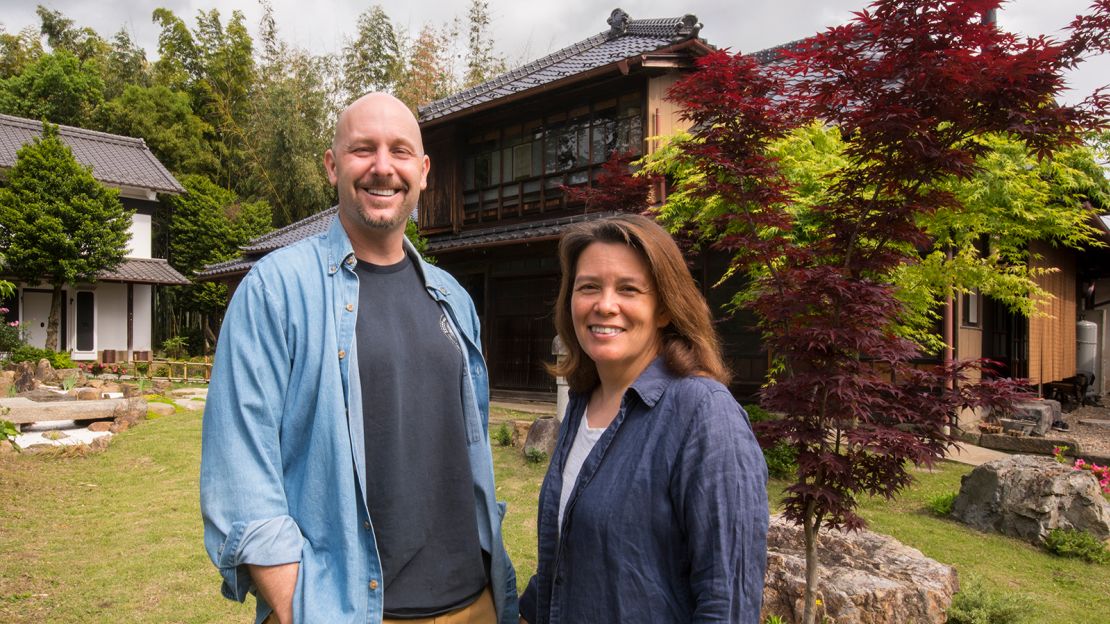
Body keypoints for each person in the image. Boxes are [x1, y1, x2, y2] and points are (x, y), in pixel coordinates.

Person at [200, 92, 518, 624]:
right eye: (362, 149)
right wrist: (299, 607)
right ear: (332, 165)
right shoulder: (277, 290)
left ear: (423, 169)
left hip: (474, 602)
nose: (382, 167)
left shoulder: (453, 298)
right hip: (349, 609)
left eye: (399, 151)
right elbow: (241, 474)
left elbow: (469, 453)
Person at [519, 214, 768, 623]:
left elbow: (727, 602)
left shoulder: (703, 415)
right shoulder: (583, 400)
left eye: (628, 289)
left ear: (665, 309)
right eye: (589, 287)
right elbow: (568, 558)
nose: (605, 304)